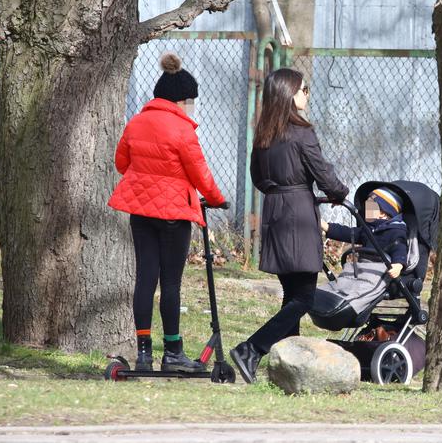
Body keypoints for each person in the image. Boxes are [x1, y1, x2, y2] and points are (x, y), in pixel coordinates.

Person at [108, 52, 225, 372]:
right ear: (182, 100)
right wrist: (216, 199)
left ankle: (143, 353)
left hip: (141, 213)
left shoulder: (137, 121)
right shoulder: (182, 129)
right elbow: (200, 173)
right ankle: (173, 351)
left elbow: (122, 164)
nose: (193, 107)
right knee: (171, 283)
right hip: (174, 214)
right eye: (192, 101)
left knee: (145, 278)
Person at [230, 68, 348, 383]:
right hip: (298, 214)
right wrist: (339, 192)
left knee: (291, 295)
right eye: (303, 88)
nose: (307, 93)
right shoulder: (302, 133)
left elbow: (258, 178)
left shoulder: (264, 135)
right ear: (289, 94)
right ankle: (251, 349)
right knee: (305, 297)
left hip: (275, 211)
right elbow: (323, 174)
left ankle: (285, 368)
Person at [321, 187, 408, 279]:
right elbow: (349, 233)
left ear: (383, 213)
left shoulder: (396, 231)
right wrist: (326, 226)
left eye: (370, 207)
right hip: (363, 269)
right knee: (344, 278)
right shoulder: (368, 229)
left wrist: (398, 265)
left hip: (380, 273)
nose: (365, 210)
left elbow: (400, 249)